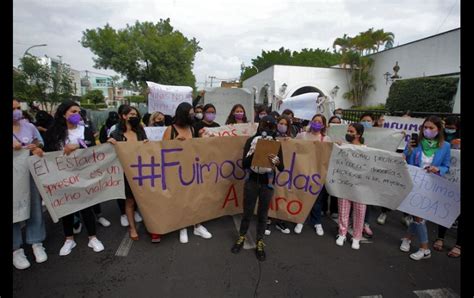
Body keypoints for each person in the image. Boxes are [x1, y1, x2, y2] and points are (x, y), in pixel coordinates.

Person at [44, 100, 105, 256]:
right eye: (73, 112)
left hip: (83, 175)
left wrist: (78, 145)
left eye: (78, 112)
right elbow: (48, 152)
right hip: (63, 177)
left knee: (86, 207)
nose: (76, 114)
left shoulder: (85, 130)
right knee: (67, 209)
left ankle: (93, 238)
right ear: (63, 114)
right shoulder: (53, 132)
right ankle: (69, 239)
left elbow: (92, 146)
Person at [231, 115, 284, 261]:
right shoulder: (251, 141)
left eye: (270, 126)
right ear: (259, 126)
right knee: (247, 211)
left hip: (267, 183)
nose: (266, 129)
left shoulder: (276, 144)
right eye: (264, 125)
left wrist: (276, 160)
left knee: (262, 213)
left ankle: (260, 240)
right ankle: (242, 237)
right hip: (252, 181)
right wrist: (257, 151)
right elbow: (244, 164)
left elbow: (282, 167)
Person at [400, 116, 451, 260]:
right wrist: (407, 150)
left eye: (431, 128)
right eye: (425, 127)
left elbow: (446, 166)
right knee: (417, 215)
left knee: (419, 216)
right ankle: (417, 243)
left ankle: (423, 248)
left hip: (432, 185)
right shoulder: (416, 142)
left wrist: (437, 169)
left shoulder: (445, 146)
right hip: (414, 183)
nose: (427, 130)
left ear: (438, 130)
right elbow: (404, 158)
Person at [162, 102, 213, 243]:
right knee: (181, 198)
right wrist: (174, 142)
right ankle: (182, 226)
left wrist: (201, 138)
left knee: (195, 197)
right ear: (182, 114)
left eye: (193, 112)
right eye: (190, 113)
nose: (193, 115)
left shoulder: (192, 128)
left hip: (194, 168)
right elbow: (163, 151)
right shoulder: (170, 130)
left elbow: (196, 147)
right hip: (177, 171)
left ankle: (197, 225)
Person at [12, 99, 47, 269]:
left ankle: (36, 242)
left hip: (29, 174)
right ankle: (16, 249)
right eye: (13, 109)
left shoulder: (29, 127)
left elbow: (40, 142)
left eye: (18, 108)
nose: (17, 112)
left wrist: (37, 148)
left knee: (34, 207)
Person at [108, 106, 148, 242]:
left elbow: (147, 149)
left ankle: (150, 223)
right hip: (125, 173)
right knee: (130, 201)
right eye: (131, 114)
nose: (134, 116)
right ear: (123, 116)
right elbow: (110, 154)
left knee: (144, 198)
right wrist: (110, 144)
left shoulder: (140, 131)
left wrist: (147, 145)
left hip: (142, 170)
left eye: (136, 114)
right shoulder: (116, 134)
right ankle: (132, 228)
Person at [293, 114, 331, 236]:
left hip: (317, 173)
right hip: (302, 171)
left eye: (319, 122)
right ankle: (300, 219)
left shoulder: (326, 139)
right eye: (315, 121)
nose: (316, 123)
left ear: (323, 125)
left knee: (317, 198)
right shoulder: (302, 135)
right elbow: (293, 147)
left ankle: (317, 222)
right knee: (302, 195)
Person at [335, 123, 367, 250]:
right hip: (344, 183)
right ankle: (342, 233)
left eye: (351, 131)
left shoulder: (366, 148)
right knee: (343, 210)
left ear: (358, 134)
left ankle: (356, 237)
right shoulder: (343, 146)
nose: (348, 133)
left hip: (360, 187)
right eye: (348, 130)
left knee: (359, 212)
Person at [432, 116, 461, 257]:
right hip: (447, 180)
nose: (449, 129)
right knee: (445, 209)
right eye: (447, 126)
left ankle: (458, 245)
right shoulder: (442, 140)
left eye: (452, 127)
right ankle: (440, 237)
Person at [265, 115, 293, 235]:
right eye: (281, 123)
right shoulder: (271, 137)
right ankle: (267, 219)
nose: (283, 126)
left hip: (286, 175)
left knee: (283, 195)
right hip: (271, 173)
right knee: (270, 196)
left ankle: (280, 220)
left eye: (285, 124)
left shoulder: (291, 139)